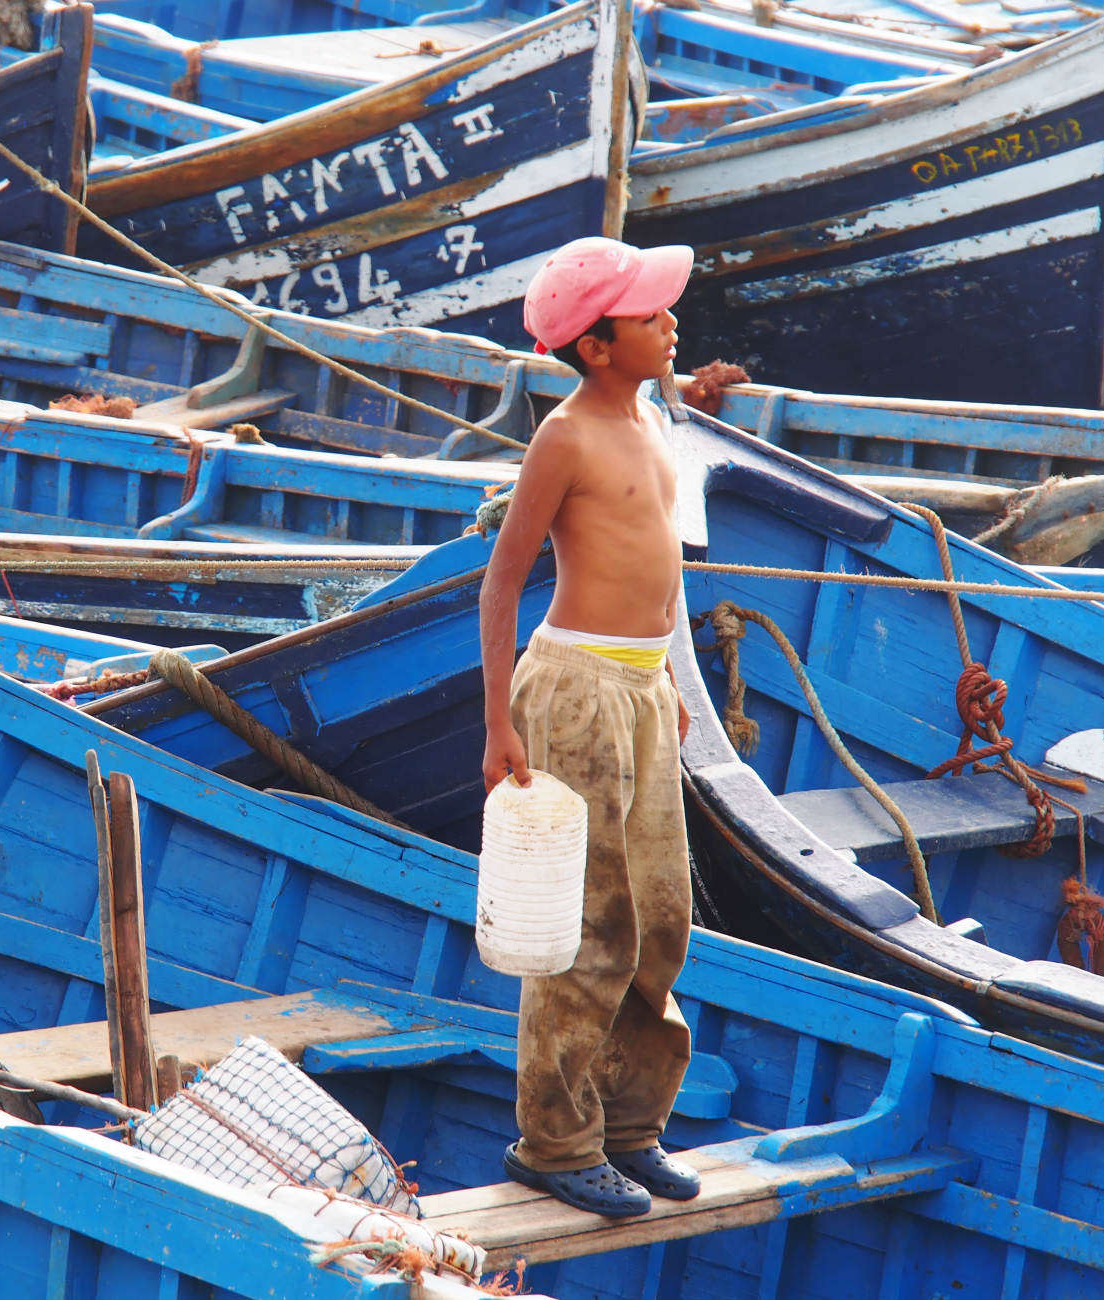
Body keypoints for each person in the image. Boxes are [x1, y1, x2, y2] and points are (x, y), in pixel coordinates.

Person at [478, 236, 699, 1219]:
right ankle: (555, 1143)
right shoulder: (562, 436)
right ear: (596, 346)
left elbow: (666, 564)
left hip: (644, 690)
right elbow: (500, 581)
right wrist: (496, 724)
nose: (668, 323)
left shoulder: (652, 415)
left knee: (658, 921)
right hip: (573, 691)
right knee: (585, 929)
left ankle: (626, 1126)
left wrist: (671, 678)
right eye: (649, 316)